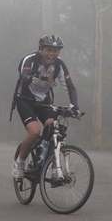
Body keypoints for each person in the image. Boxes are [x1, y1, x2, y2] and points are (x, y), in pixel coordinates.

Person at [12, 34, 80, 179]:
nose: (52, 54)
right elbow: (23, 74)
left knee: (53, 130)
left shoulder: (59, 64)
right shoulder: (31, 59)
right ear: (41, 49)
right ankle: (19, 162)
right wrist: (31, 77)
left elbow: (70, 87)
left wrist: (74, 107)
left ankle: (56, 170)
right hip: (25, 99)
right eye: (48, 50)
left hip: (44, 101)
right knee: (34, 132)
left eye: (55, 51)